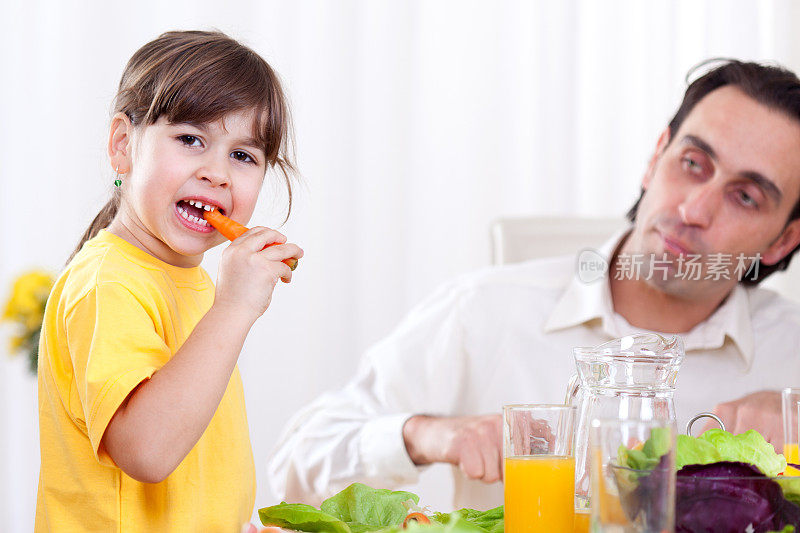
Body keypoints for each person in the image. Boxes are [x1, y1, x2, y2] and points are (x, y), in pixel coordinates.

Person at [267, 59, 800, 511]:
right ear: (655, 155)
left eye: (746, 196)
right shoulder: (484, 311)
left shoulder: (791, 355)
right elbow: (293, 466)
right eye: (691, 163)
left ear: (782, 241)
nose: (693, 209)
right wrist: (424, 434)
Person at [35, 30, 303, 532]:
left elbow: (195, 471)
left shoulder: (196, 286)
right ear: (123, 147)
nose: (218, 173)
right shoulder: (107, 283)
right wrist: (235, 308)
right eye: (191, 139)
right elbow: (148, 451)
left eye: (243, 156)